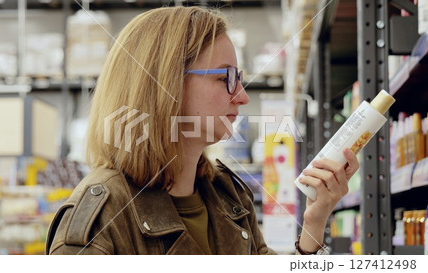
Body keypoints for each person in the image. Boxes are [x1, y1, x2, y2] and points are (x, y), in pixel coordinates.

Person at [46, 6, 359, 255]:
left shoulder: (228, 194)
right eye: (226, 78)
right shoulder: (99, 219)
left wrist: (314, 221)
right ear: (164, 85)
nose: (243, 96)